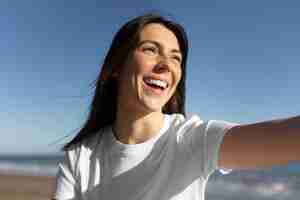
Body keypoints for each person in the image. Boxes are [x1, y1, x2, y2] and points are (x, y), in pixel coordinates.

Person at [52, 13, 300, 200]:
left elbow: (284, 138)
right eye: (150, 49)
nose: (166, 65)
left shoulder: (192, 140)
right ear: (116, 66)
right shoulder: (80, 157)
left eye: (176, 58)